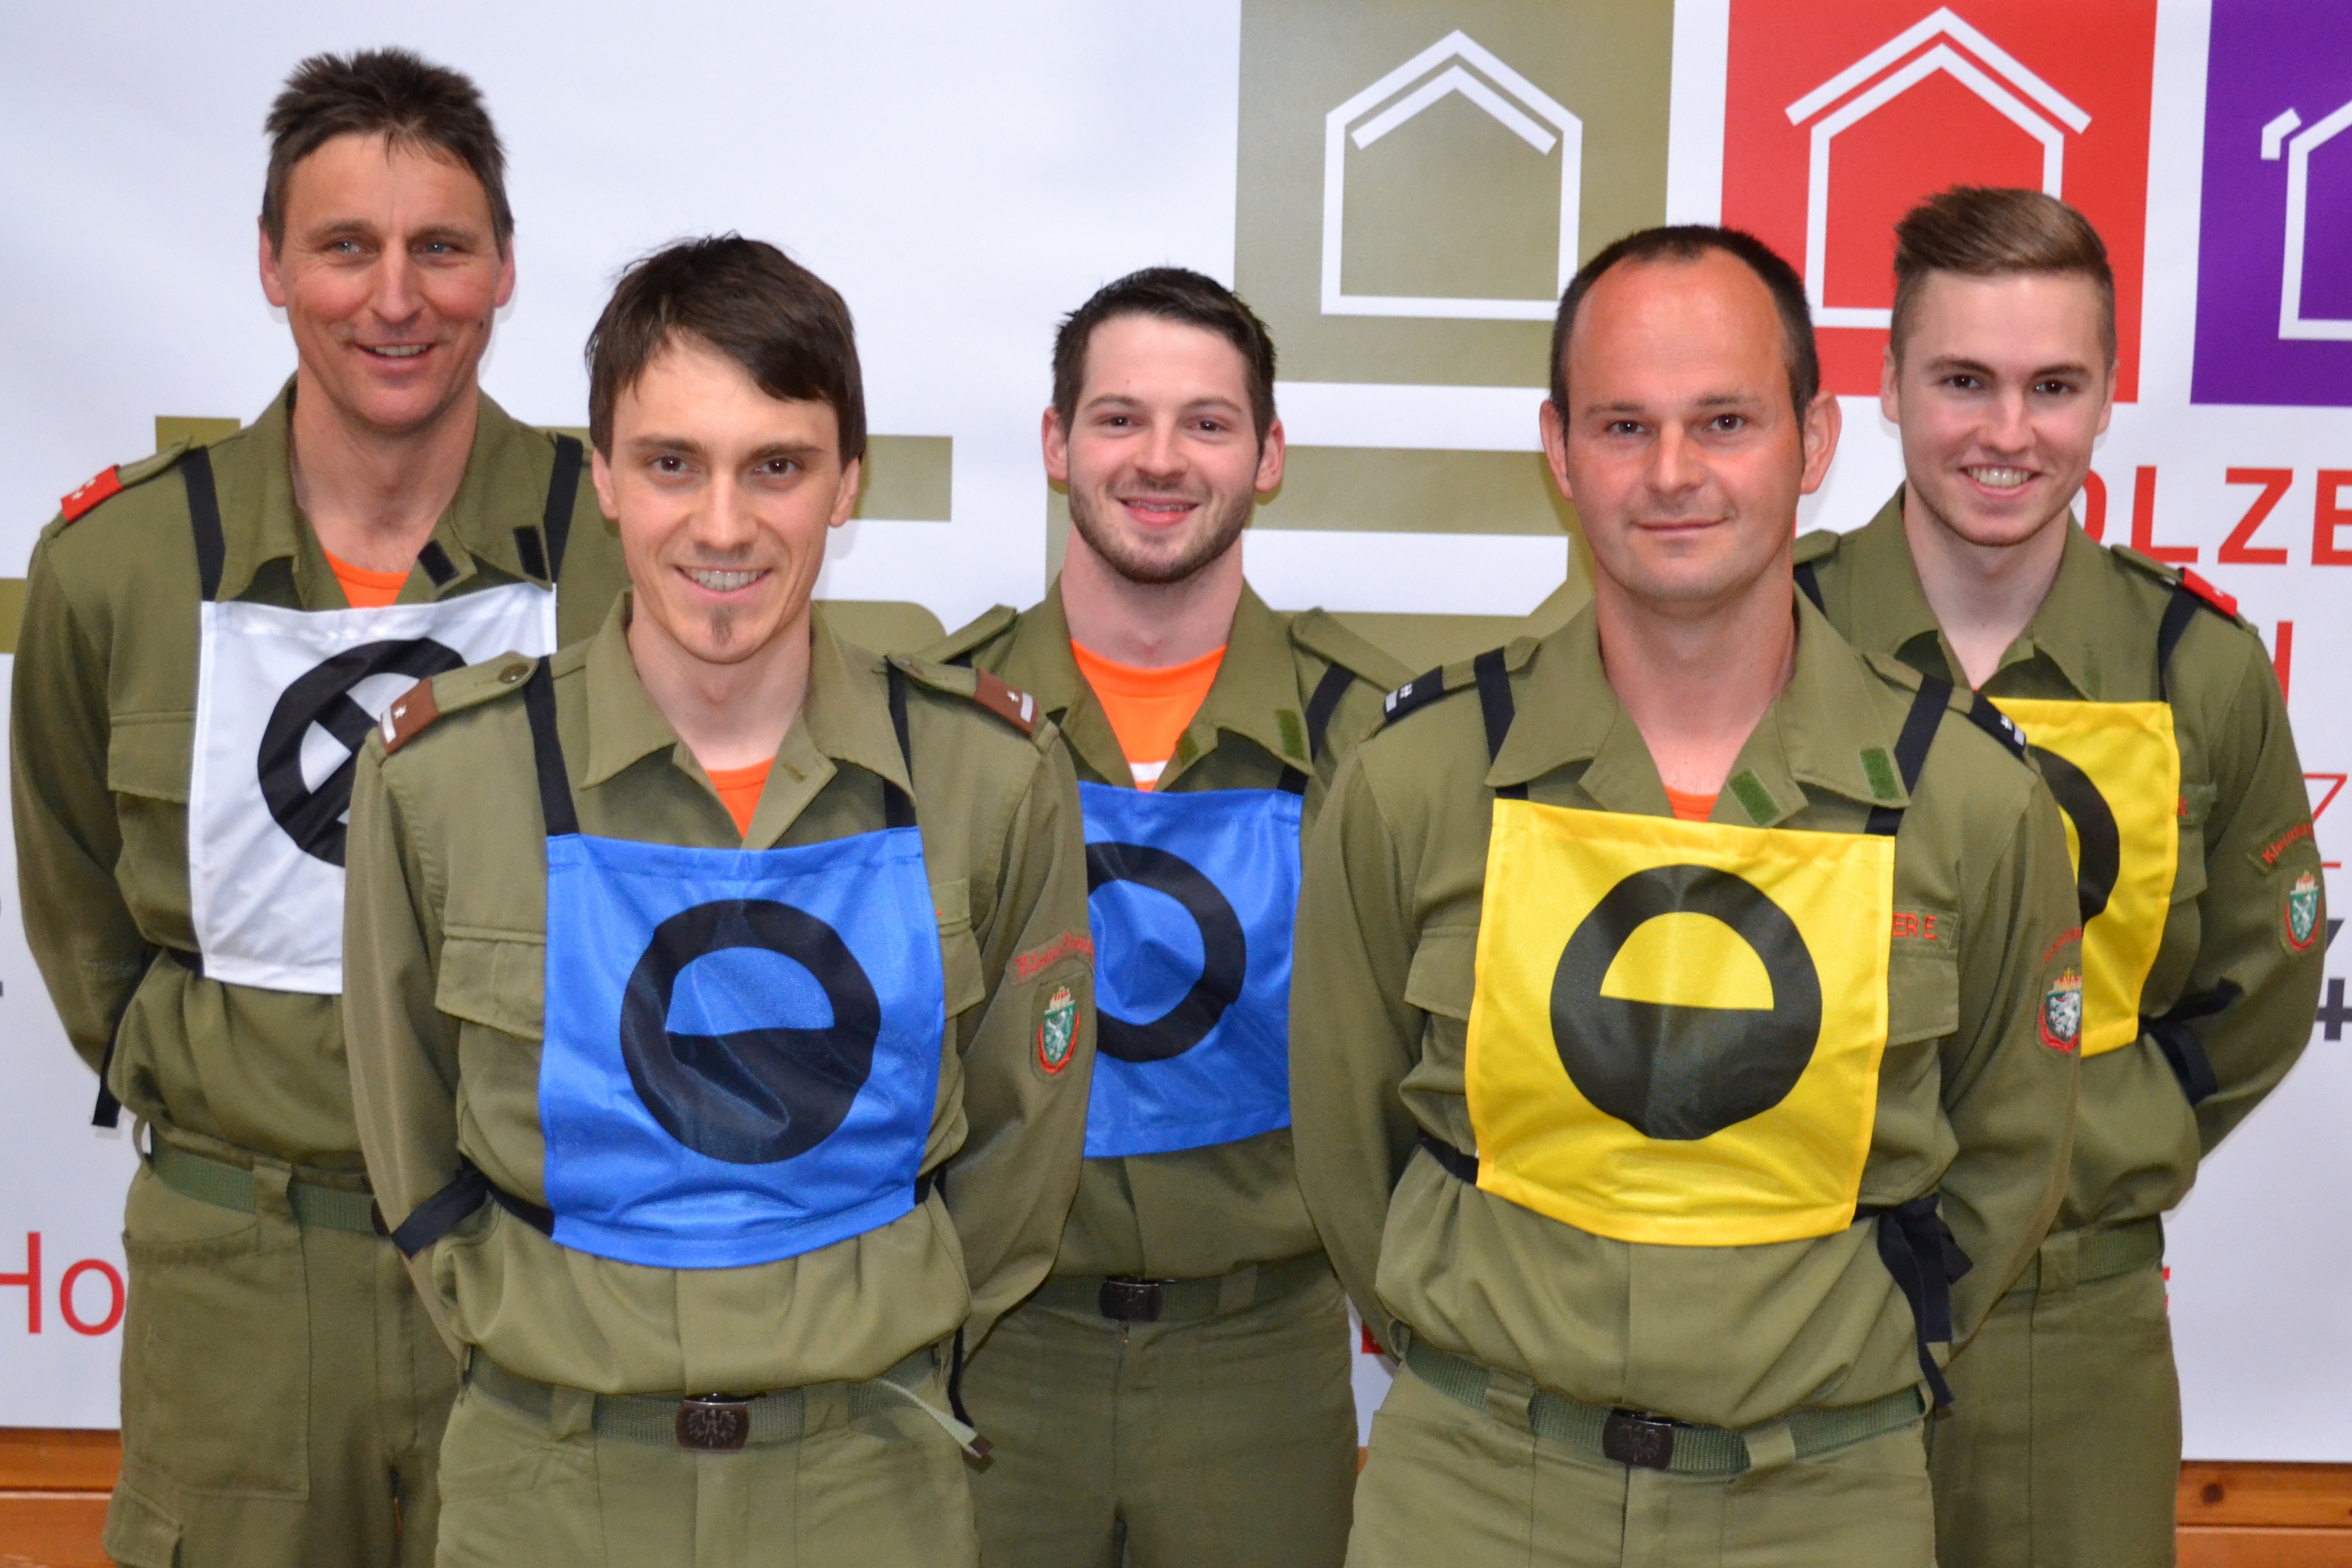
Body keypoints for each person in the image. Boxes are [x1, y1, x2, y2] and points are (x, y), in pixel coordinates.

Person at [1290, 225, 2086, 1567]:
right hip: (1471, 1492)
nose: (1671, 473)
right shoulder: (1416, 776)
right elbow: (1347, 1139)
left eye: (1723, 421)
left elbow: (2009, 1151)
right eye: (1623, 426)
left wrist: (1845, 1344)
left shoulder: (1966, 795)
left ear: (1812, 440)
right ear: (1558, 451)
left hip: (1819, 1503)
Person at [339, 236, 1095, 1566]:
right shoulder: (443, 777)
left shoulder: (987, 775)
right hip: (547, 1485)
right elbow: (409, 1143)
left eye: (777, 466)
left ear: (847, 482)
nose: (726, 525)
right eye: (672, 463)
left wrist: (875, 1327)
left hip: (868, 1481)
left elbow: (1020, 1156)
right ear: (603, 477)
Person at [12, 50, 627, 1566]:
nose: (394, 299)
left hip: (546, 1270)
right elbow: (81, 913)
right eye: (346, 245)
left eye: (441, 247)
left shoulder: (624, 550)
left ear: (504, 270)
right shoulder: (118, 568)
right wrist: (222, 1087)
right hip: (239, 1287)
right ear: (273, 264)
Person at [1794, 186, 2324, 1568]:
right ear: (1888, 387)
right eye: (1961, 380)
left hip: (2072, 1329)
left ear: (2105, 399)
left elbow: (2256, 991)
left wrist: (2078, 1144)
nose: (2005, 431)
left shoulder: (2193, 668)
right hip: (1788, 1303)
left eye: (2051, 386)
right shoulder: (1768, 634)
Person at [925, 267, 1406, 1567]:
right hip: (996, 1354)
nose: (1159, 458)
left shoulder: (1372, 739)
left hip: (1263, 1364)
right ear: (1054, 444)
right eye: (1118, 418)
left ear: (1267, 456)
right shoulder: (937, 728)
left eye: (1206, 422)